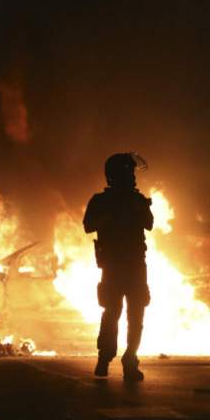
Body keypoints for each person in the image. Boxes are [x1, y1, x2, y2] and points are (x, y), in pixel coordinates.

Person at [83, 153, 153, 381]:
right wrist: (113, 216)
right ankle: (105, 357)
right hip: (114, 266)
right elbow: (88, 225)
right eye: (129, 172)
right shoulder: (101, 201)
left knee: (135, 316)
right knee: (112, 313)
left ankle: (130, 359)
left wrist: (136, 208)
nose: (132, 177)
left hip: (134, 266)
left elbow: (149, 224)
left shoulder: (136, 199)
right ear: (118, 174)